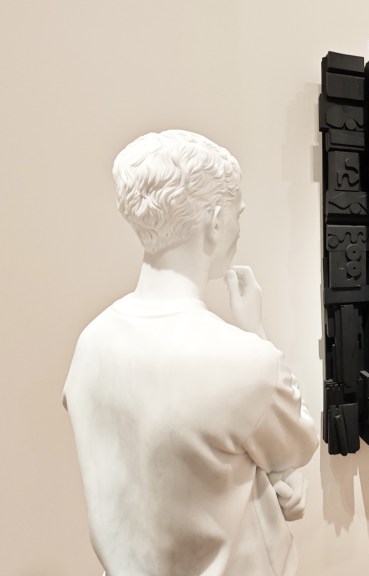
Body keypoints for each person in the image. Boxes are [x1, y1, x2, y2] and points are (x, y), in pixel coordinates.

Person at [63, 129, 319, 576]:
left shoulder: (91, 342)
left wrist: (273, 480)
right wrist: (256, 332)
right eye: (238, 214)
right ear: (216, 221)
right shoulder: (242, 360)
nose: (239, 227)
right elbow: (297, 441)